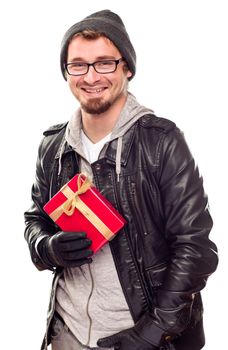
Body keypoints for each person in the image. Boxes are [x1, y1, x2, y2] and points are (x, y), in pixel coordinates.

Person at [24, 9, 218, 350]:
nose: (91, 76)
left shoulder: (162, 142)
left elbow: (196, 248)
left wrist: (153, 332)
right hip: (65, 333)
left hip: (141, 334)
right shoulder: (52, 146)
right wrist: (47, 247)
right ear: (66, 72)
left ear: (126, 68)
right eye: (78, 64)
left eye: (104, 63)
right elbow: (35, 220)